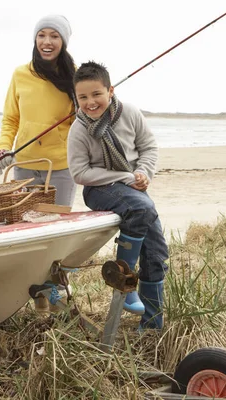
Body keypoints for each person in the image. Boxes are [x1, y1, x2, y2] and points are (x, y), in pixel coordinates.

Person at [67, 61, 169, 330]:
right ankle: (124, 277)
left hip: (133, 186)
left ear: (110, 91)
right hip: (99, 188)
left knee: (156, 253)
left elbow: (148, 147)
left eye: (96, 94)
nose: (90, 102)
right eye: (83, 97)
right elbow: (80, 173)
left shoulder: (130, 113)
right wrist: (123, 177)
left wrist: (144, 172)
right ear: (76, 98)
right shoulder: (79, 129)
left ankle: (151, 327)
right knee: (141, 209)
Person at [0, 14, 77, 206]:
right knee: (24, 222)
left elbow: (81, 124)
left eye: (55, 36)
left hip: (61, 168)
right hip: (24, 165)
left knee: (57, 223)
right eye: (41, 35)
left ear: (63, 41)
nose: (47, 42)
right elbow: (10, 119)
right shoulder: (20, 74)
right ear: (35, 39)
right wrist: (3, 147)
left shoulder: (76, 75)